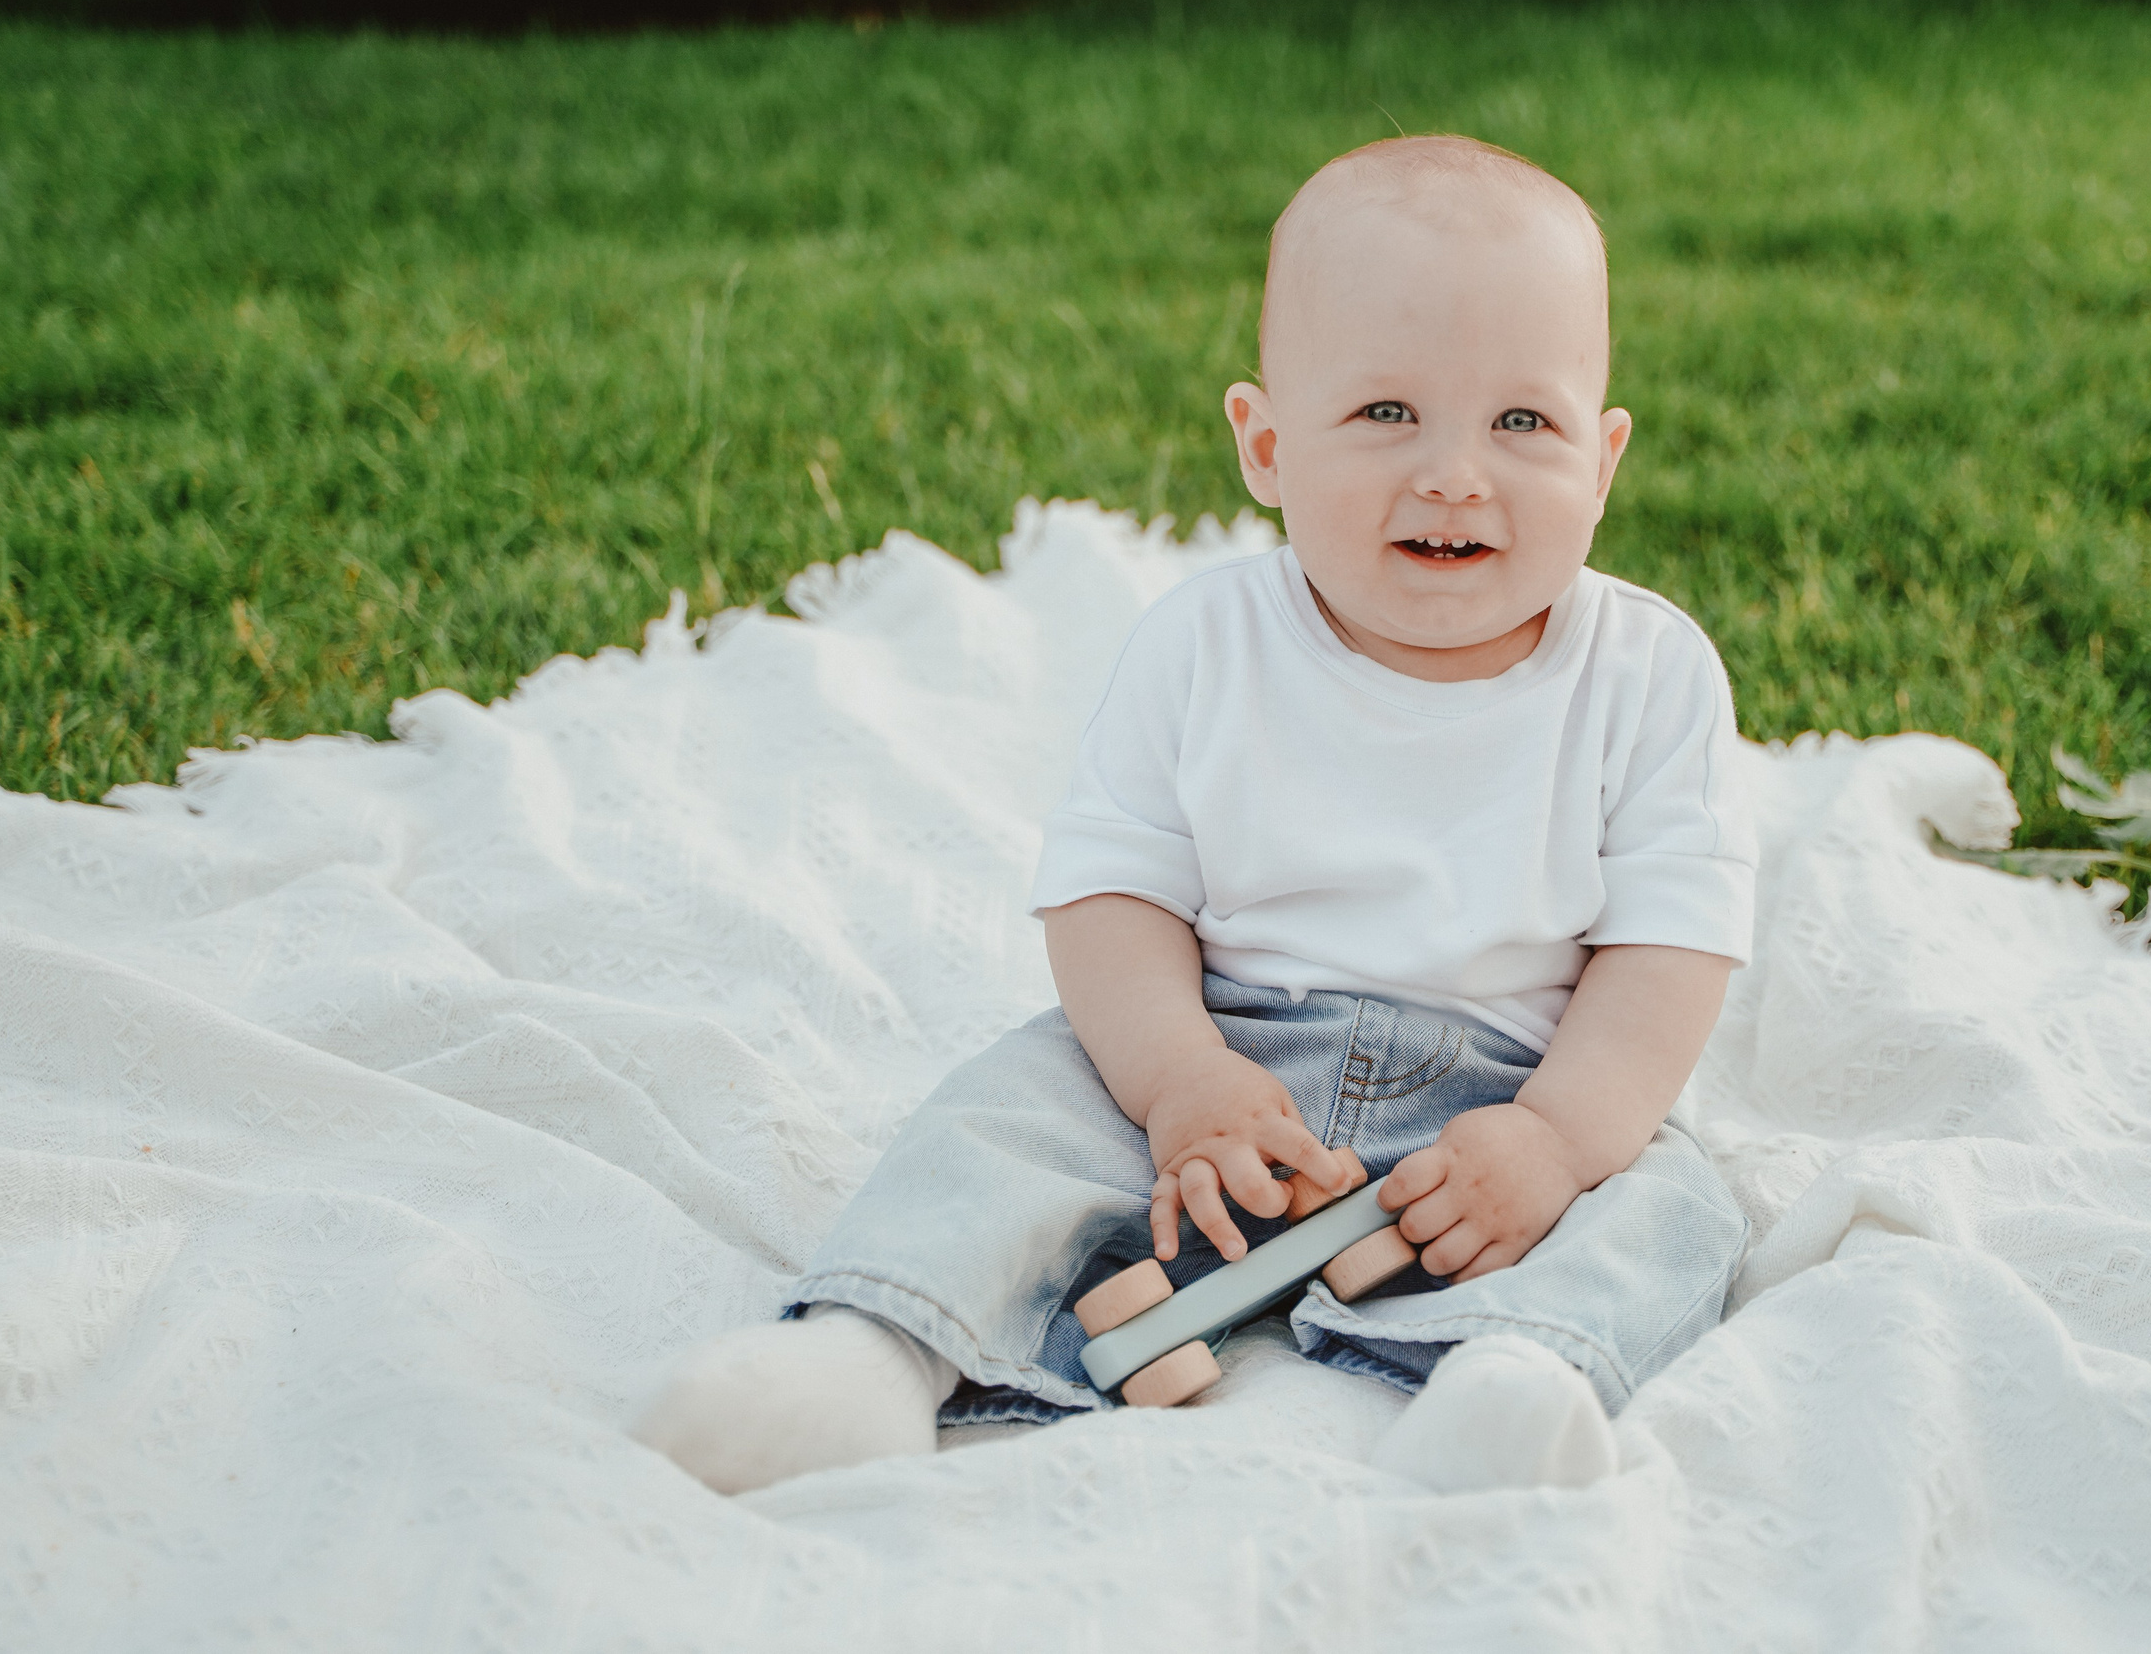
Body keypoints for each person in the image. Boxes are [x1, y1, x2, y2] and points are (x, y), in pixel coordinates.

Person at [629, 134, 1756, 1496]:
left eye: (1524, 423)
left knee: (1672, 1208)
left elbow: (1670, 950)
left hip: (1515, 1084)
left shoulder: (1649, 674)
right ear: (1266, 444)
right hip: (1222, 1050)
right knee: (1008, 1117)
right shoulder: (1202, 647)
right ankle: (876, 1351)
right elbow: (1114, 895)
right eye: (1388, 413)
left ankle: (1521, 1377)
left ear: (1605, 457)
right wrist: (1175, 1080)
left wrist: (1561, 1139)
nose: (1458, 473)